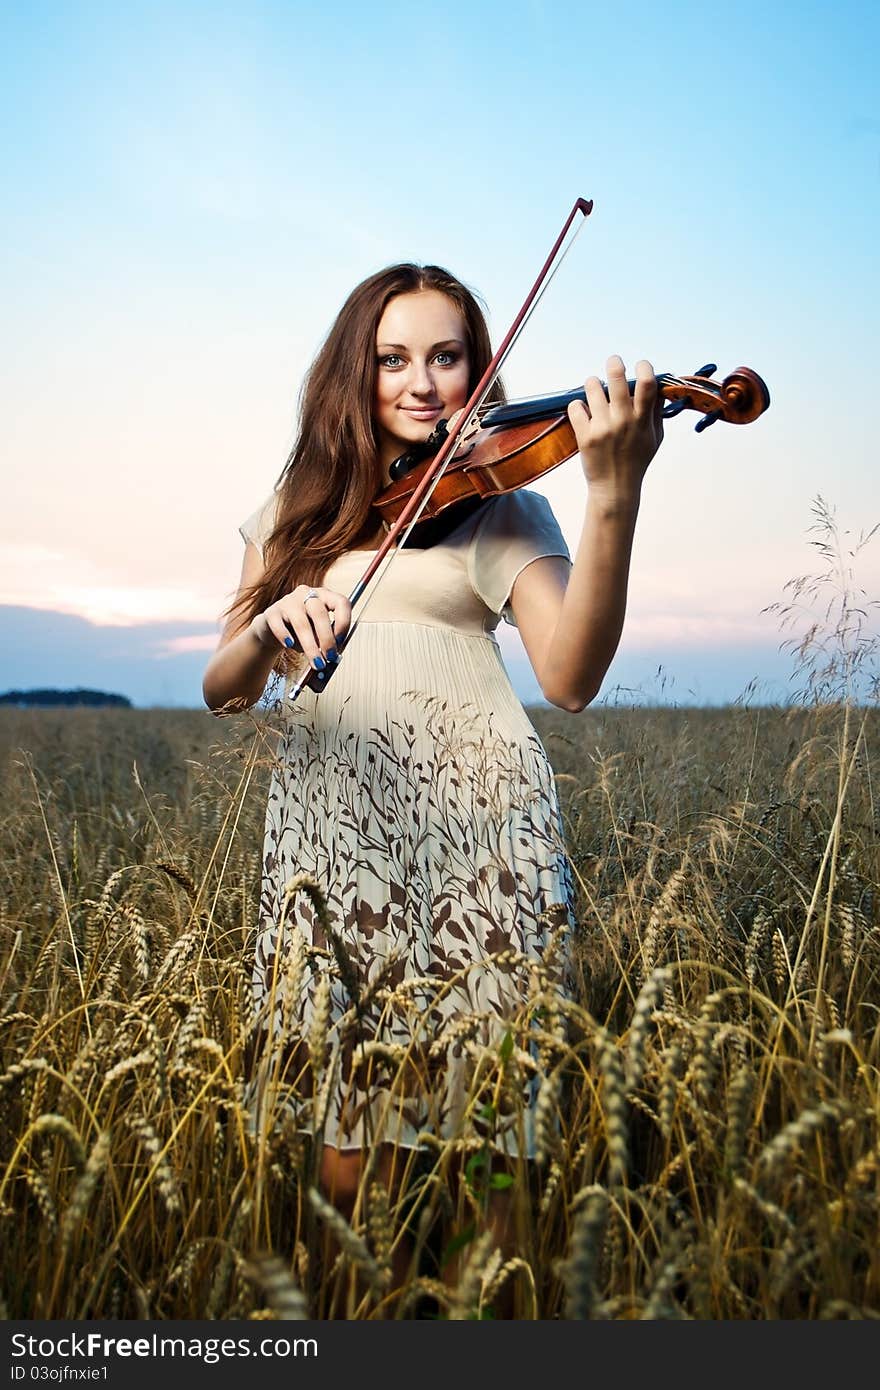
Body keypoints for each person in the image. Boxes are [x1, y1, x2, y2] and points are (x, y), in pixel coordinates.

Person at [202, 263, 664, 1316]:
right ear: (350, 374)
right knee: (348, 1162)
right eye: (393, 358)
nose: (421, 382)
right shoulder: (297, 510)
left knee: (492, 1151)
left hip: (478, 838)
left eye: (447, 355)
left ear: (479, 365)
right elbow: (222, 688)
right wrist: (269, 627)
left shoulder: (499, 505)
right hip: (337, 846)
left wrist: (614, 493)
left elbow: (571, 677)